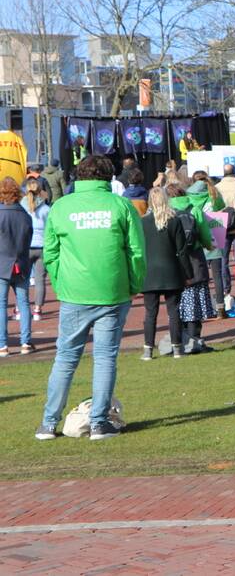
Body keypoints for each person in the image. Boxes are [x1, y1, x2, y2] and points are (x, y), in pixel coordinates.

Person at [36, 155, 145, 441]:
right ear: (109, 179)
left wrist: (61, 284)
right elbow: (136, 251)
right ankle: (98, 422)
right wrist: (133, 284)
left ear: (78, 177)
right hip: (112, 291)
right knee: (104, 358)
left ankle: (48, 424)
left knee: (65, 357)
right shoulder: (121, 206)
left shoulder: (61, 207)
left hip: (75, 293)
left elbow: (51, 253)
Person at [140, 187, 190, 360]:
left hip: (149, 272)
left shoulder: (143, 222)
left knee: (150, 313)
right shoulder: (175, 221)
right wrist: (188, 273)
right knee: (173, 311)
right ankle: (177, 348)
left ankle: (148, 350)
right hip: (171, 271)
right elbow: (182, 250)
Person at [167, 184, 216, 354]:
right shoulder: (194, 209)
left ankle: (180, 339)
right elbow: (204, 234)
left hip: (174, 259)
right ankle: (196, 338)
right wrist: (208, 245)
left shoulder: (166, 211)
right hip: (195, 258)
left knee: (176, 301)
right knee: (196, 300)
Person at [0, 178, 33, 357]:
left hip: (2, 264)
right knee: (24, 303)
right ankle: (26, 342)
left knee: (1, 306)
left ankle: (3, 345)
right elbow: (27, 240)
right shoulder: (25, 215)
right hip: (21, 263)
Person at [186, 173, 227, 318]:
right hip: (215, 231)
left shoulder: (188, 194)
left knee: (197, 273)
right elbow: (222, 207)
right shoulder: (214, 193)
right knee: (217, 274)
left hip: (196, 234)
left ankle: (199, 308)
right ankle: (221, 307)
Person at [21, 178, 50, 322]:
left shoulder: (21, 206)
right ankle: (38, 310)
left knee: (22, 280)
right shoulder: (46, 209)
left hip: (25, 247)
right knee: (40, 280)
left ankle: (20, 308)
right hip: (42, 247)